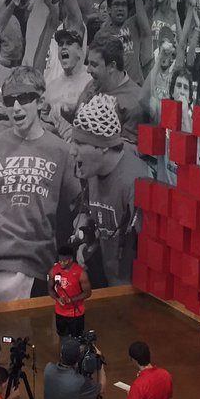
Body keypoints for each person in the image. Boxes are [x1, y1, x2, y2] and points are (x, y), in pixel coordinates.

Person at [0, 66, 81, 303]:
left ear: (40, 101)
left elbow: (77, 211)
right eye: (9, 100)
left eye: (24, 98)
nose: (16, 107)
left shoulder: (62, 152)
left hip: (43, 267)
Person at [72, 95, 149, 288]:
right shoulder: (92, 171)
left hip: (136, 294)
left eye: (80, 144)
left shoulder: (135, 182)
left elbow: (147, 251)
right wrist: (89, 239)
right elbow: (97, 218)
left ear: (104, 148)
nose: (72, 151)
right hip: (111, 286)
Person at [79, 33, 146, 146]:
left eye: (94, 65)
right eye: (88, 63)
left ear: (112, 66)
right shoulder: (92, 85)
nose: (88, 70)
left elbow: (126, 153)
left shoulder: (135, 102)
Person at [43, 26, 93, 122]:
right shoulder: (52, 86)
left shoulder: (92, 79)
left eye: (69, 43)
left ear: (80, 51)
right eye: (60, 44)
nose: (64, 47)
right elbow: (42, 119)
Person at [49, 245, 91, 339]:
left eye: (64, 261)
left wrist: (71, 299)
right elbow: (50, 289)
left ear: (71, 259)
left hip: (76, 313)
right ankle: (64, 353)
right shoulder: (54, 271)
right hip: (60, 312)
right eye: (60, 261)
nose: (61, 263)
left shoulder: (81, 273)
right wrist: (57, 298)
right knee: (62, 337)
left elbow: (88, 293)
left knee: (77, 339)